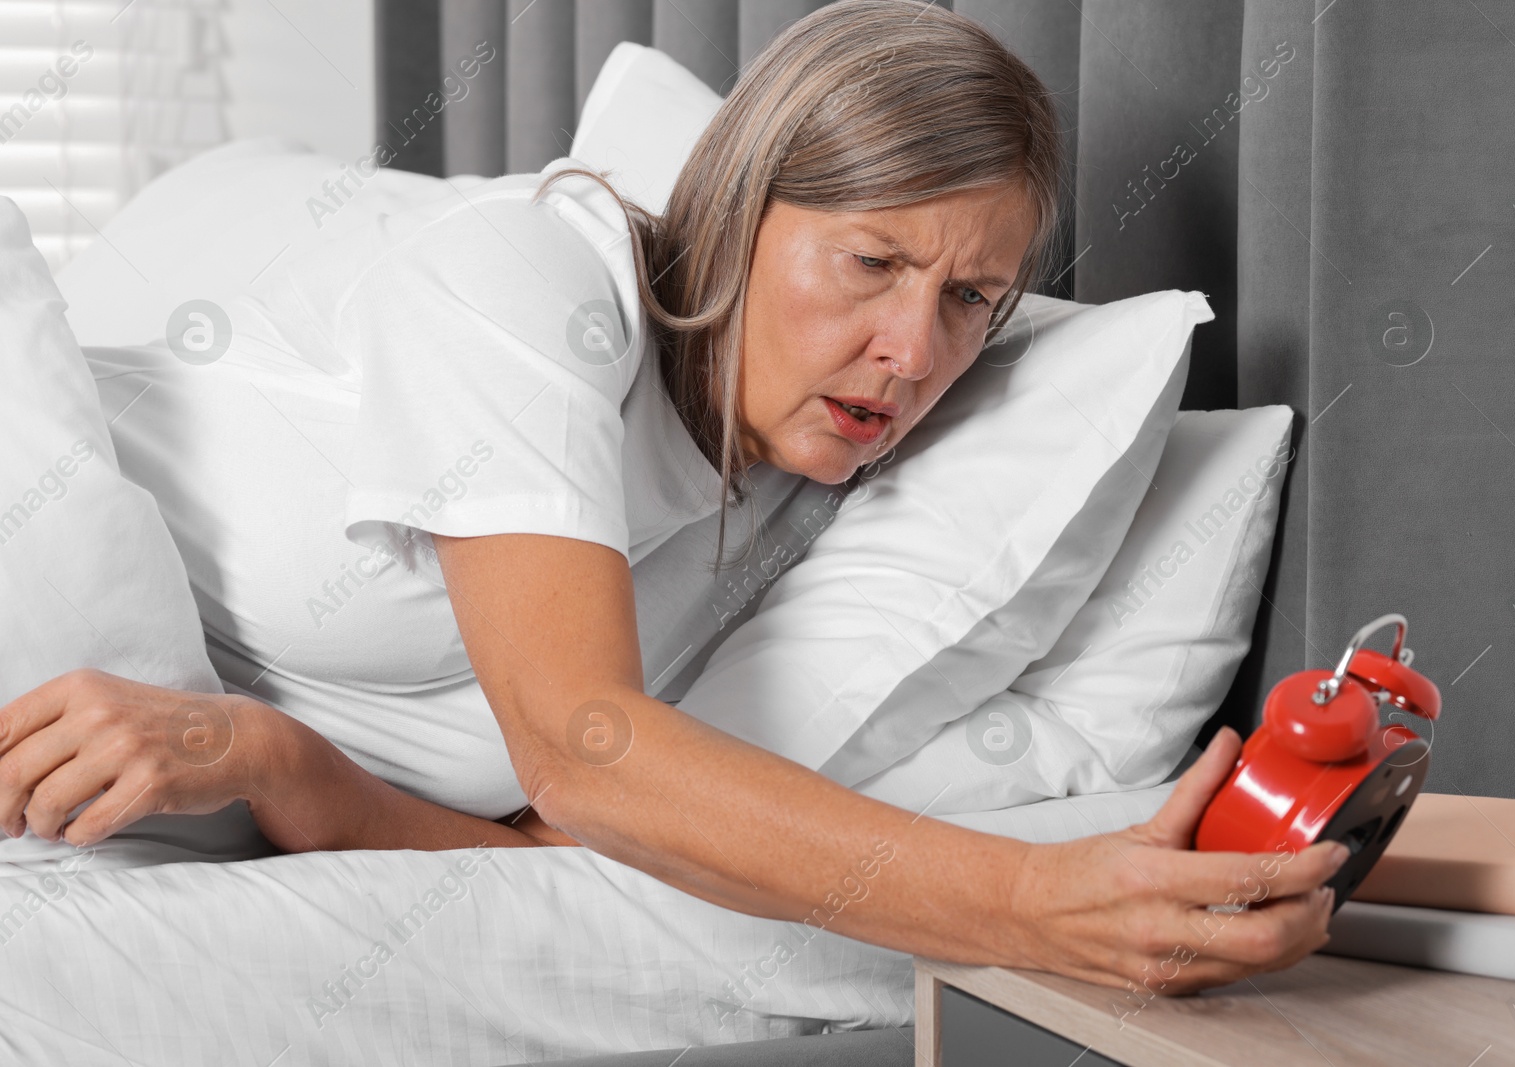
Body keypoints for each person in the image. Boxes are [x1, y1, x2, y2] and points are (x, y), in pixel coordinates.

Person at [0, 0, 1344, 994]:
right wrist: (1032, 905)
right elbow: (586, 758)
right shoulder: (530, 282)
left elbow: (535, 839)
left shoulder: (795, 524)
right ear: (737, 209)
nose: (916, 350)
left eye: (972, 298)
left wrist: (268, 759)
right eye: (871, 262)